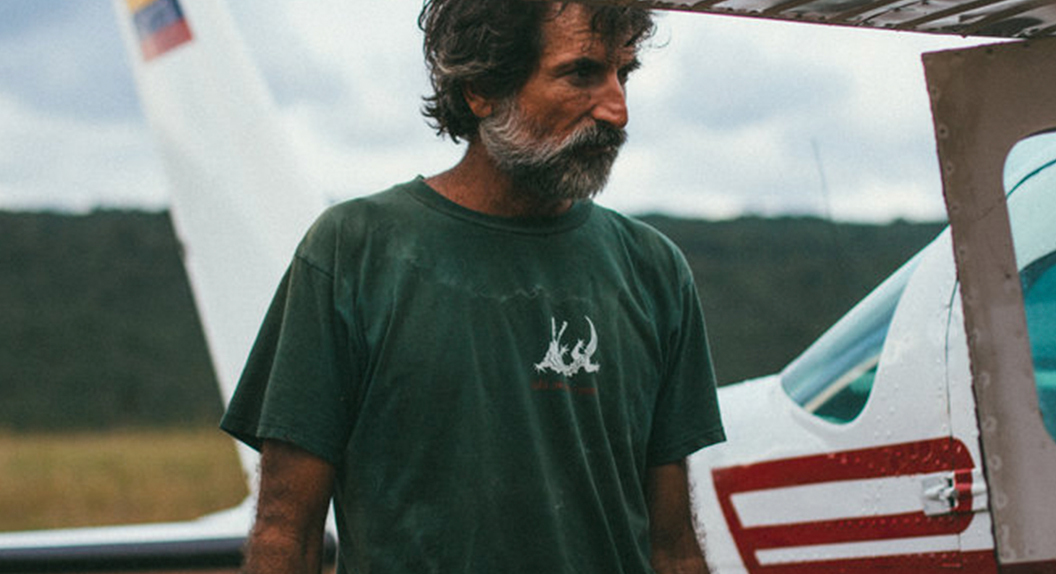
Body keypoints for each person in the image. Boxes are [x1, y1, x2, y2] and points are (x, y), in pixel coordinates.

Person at [220, 1, 725, 572]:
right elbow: (286, 532)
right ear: (481, 89)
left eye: (623, 73)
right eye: (582, 73)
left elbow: (674, 549)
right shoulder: (354, 253)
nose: (618, 110)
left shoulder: (654, 271)